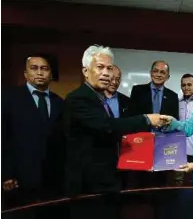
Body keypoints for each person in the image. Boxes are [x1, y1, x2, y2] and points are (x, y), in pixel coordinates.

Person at [63, 45, 163, 196]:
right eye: (100, 67)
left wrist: (143, 158)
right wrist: (146, 119)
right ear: (85, 71)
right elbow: (107, 126)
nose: (106, 73)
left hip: (108, 177)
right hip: (89, 184)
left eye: (109, 68)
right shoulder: (78, 98)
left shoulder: (98, 97)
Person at [2, 53, 64, 206]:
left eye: (44, 69)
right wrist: (5, 174)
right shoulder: (8, 98)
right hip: (19, 179)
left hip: (53, 181)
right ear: (25, 73)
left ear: (51, 74)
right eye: (34, 68)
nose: (40, 73)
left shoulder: (60, 102)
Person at [129, 60, 179, 188]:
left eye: (163, 72)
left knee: (160, 183)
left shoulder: (173, 96)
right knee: (139, 182)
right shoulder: (137, 91)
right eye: (155, 71)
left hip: (162, 146)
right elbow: (131, 117)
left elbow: (175, 122)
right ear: (151, 73)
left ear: (168, 76)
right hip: (141, 144)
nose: (158, 74)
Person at [177, 74, 193, 186]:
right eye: (183, 85)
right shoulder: (176, 102)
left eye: (189, 84)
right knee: (178, 179)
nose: (186, 87)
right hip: (179, 149)